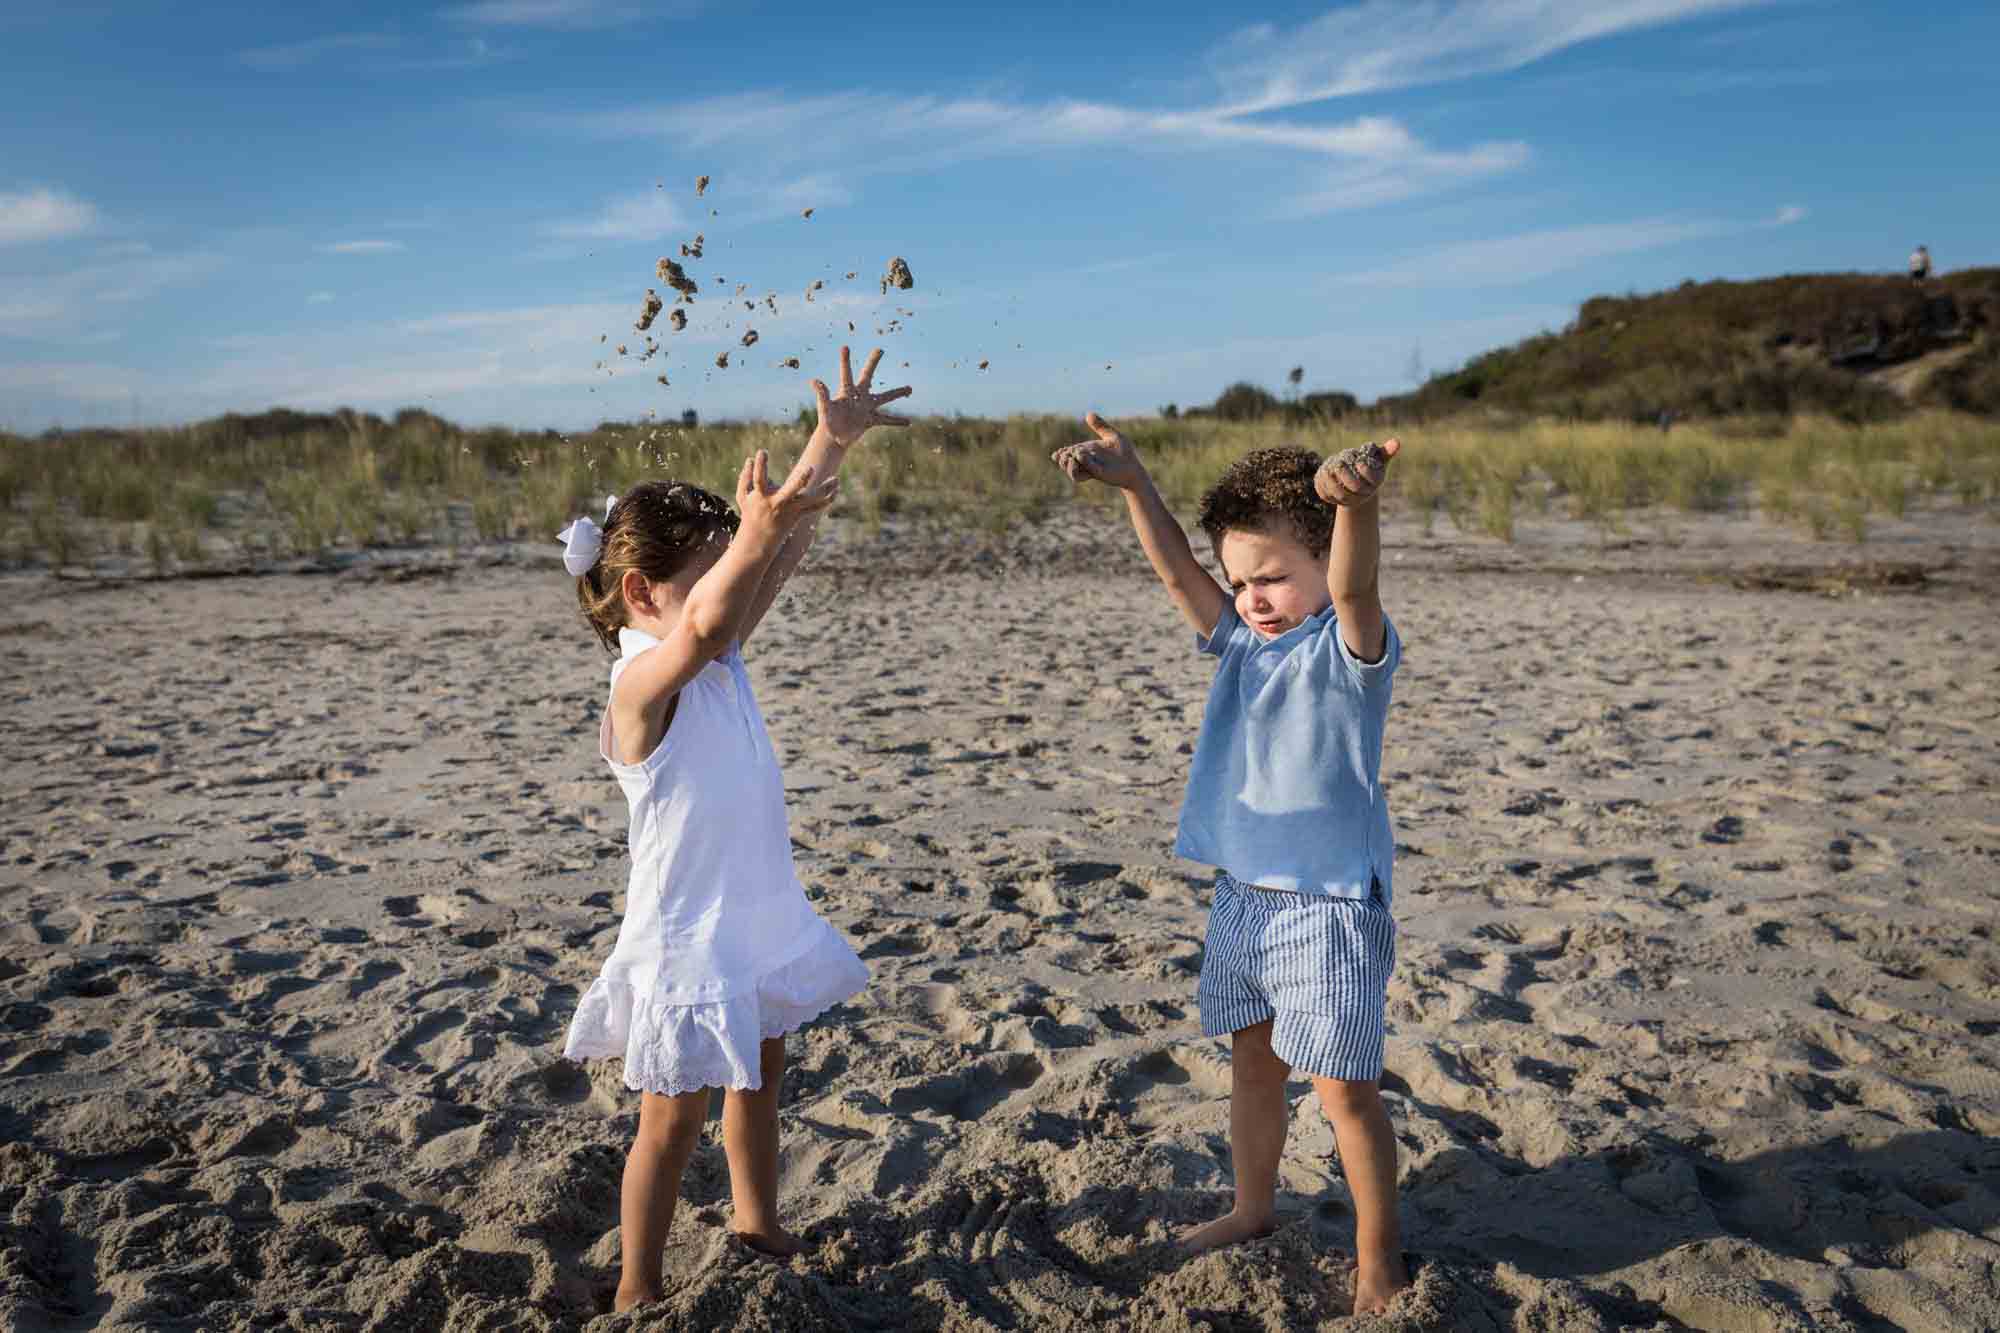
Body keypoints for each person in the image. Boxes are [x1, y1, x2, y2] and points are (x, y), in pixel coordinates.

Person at [560, 348, 913, 1312]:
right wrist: (751, 539)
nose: (732, 585)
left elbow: (779, 549)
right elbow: (712, 619)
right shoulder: (642, 686)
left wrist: (826, 444)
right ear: (643, 594)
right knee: (667, 1123)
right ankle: (637, 1281)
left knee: (761, 1076)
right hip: (683, 938)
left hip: (748, 918)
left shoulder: (716, 656)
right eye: (711, 569)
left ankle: (756, 1222)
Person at [1052, 418, 1410, 1315]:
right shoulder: (1243, 642)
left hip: (1327, 906)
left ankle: (1378, 1256)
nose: (1252, 597)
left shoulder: (1350, 647)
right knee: (1255, 1063)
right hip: (1244, 894)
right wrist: (1136, 483)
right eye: (1242, 580)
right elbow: (1178, 570)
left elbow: (1356, 577)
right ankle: (1253, 1207)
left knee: (1344, 1092)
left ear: (1321, 561)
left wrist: (1353, 506)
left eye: (1274, 577)